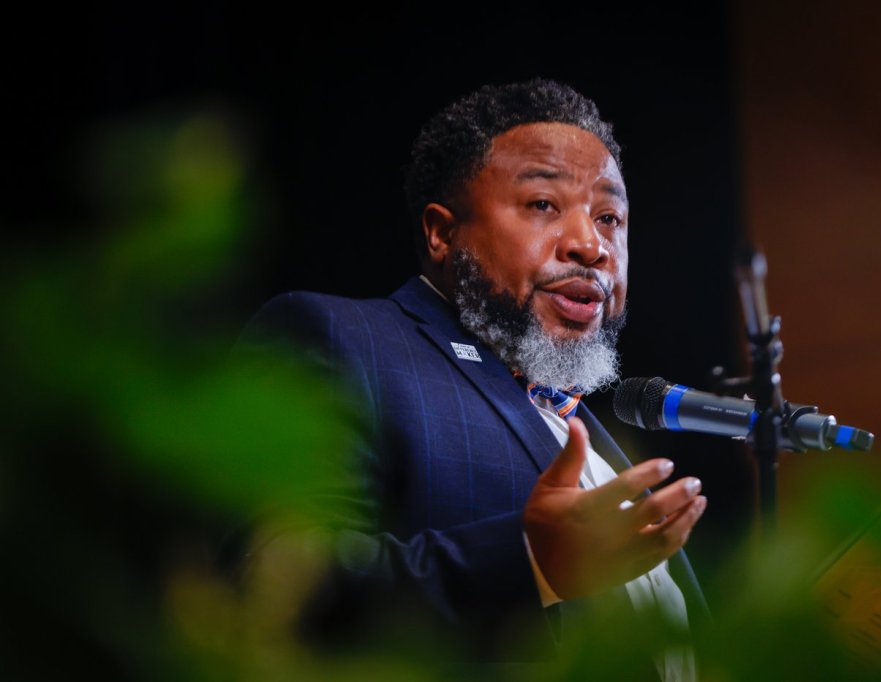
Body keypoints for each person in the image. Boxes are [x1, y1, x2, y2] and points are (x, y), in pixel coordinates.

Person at [241, 79, 709, 679]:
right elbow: (278, 589)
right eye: (543, 205)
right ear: (442, 233)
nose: (591, 245)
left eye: (609, 217)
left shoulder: (586, 431)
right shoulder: (341, 338)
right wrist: (530, 562)